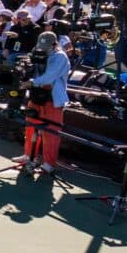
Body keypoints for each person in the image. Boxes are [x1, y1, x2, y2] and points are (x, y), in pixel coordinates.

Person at [24, 33, 72, 179]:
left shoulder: (60, 56)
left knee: (51, 132)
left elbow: (49, 77)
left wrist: (31, 82)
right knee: (30, 126)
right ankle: (28, 156)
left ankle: (49, 163)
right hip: (36, 95)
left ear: (54, 44)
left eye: (46, 46)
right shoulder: (37, 51)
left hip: (52, 98)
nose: (43, 49)